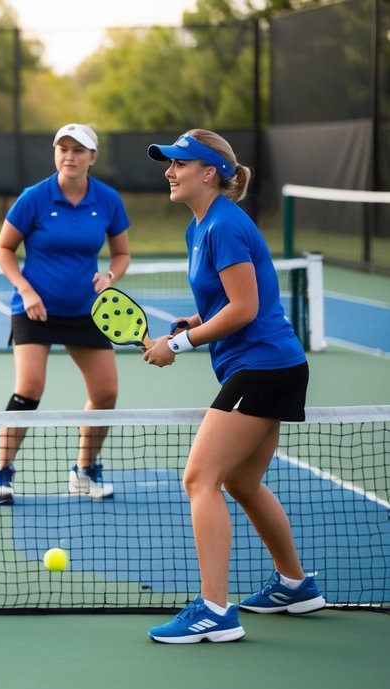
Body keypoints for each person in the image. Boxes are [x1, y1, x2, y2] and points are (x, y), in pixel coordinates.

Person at [142, 129, 325, 644]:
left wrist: (178, 345)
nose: (169, 172)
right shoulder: (199, 227)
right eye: (168, 164)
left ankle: (214, 611)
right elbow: (231, 299)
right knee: (241, 483)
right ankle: (295, 584)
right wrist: (195, 321)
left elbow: (245, 310)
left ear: (209, 173)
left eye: (179, 164)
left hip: (262, 366)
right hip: (270, 365)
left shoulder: (223, 225)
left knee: (200, 479)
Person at [0, 124, 132, 505]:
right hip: (35, 309)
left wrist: (111, 276)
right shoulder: (33, 198)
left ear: (92, 157)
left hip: (86, 310)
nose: (69, 156)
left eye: (78, 150)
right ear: (55, 154)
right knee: (29, 389)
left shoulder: (108, 200)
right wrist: (26, 290)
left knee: (105, 394)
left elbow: (121, 253)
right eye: (63, 148)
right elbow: (4, 248)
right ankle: (2, 473)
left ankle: (84, 469)